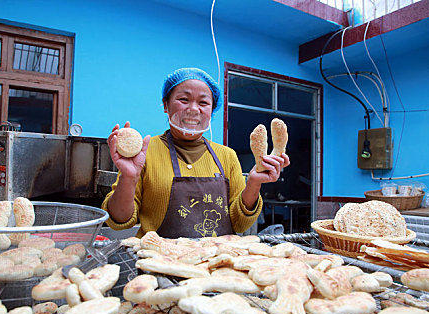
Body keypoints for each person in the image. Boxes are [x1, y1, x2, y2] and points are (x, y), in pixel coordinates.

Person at [102, 67, 290, 238]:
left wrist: (254, 183)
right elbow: (119, 222)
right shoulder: (145, 153)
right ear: (166, 105)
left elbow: (240, 223)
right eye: (184, 100)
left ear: (212, 110)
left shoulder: (227, 156)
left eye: (203, 103)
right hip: (158, 265)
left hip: (217, 265)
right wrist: (128, 177)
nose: (193, 109)